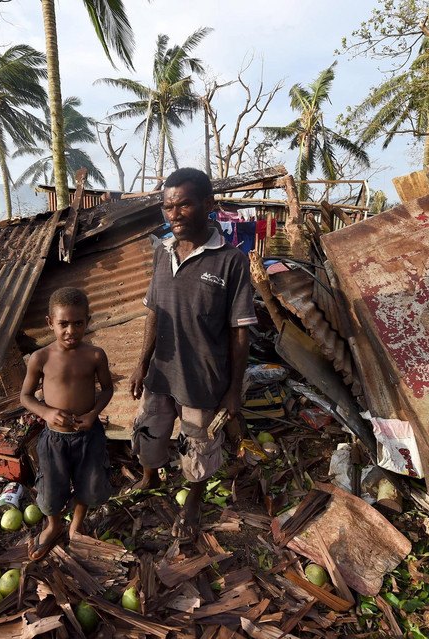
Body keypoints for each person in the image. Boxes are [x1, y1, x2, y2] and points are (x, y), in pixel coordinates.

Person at [129, 167, 256, 541]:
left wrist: (233, 390)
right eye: (168, 207)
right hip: (161, 373)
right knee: (148, 435)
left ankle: (193, 503)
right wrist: (140, 363)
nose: (175, 215)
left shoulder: (230, 261)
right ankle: (149, 476)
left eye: (184, 205)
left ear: (208, 204)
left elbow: (240, 333)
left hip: (203, 378)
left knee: (197, 450)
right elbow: (154, 311)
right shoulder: (161, 251)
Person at [19, 287, 114, 560]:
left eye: (78, 323)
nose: (70, 330)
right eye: (63, 324)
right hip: (54, 439)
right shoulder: (41, 358)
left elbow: (106, 390)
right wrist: (47, 413)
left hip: (88, 435)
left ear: (88, 320)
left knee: (91, 484)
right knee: (50, 491)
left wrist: (94, 413)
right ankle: (54, 525)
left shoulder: (96, 355)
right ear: (51, 323)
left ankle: (76, 523)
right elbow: (25, 396)